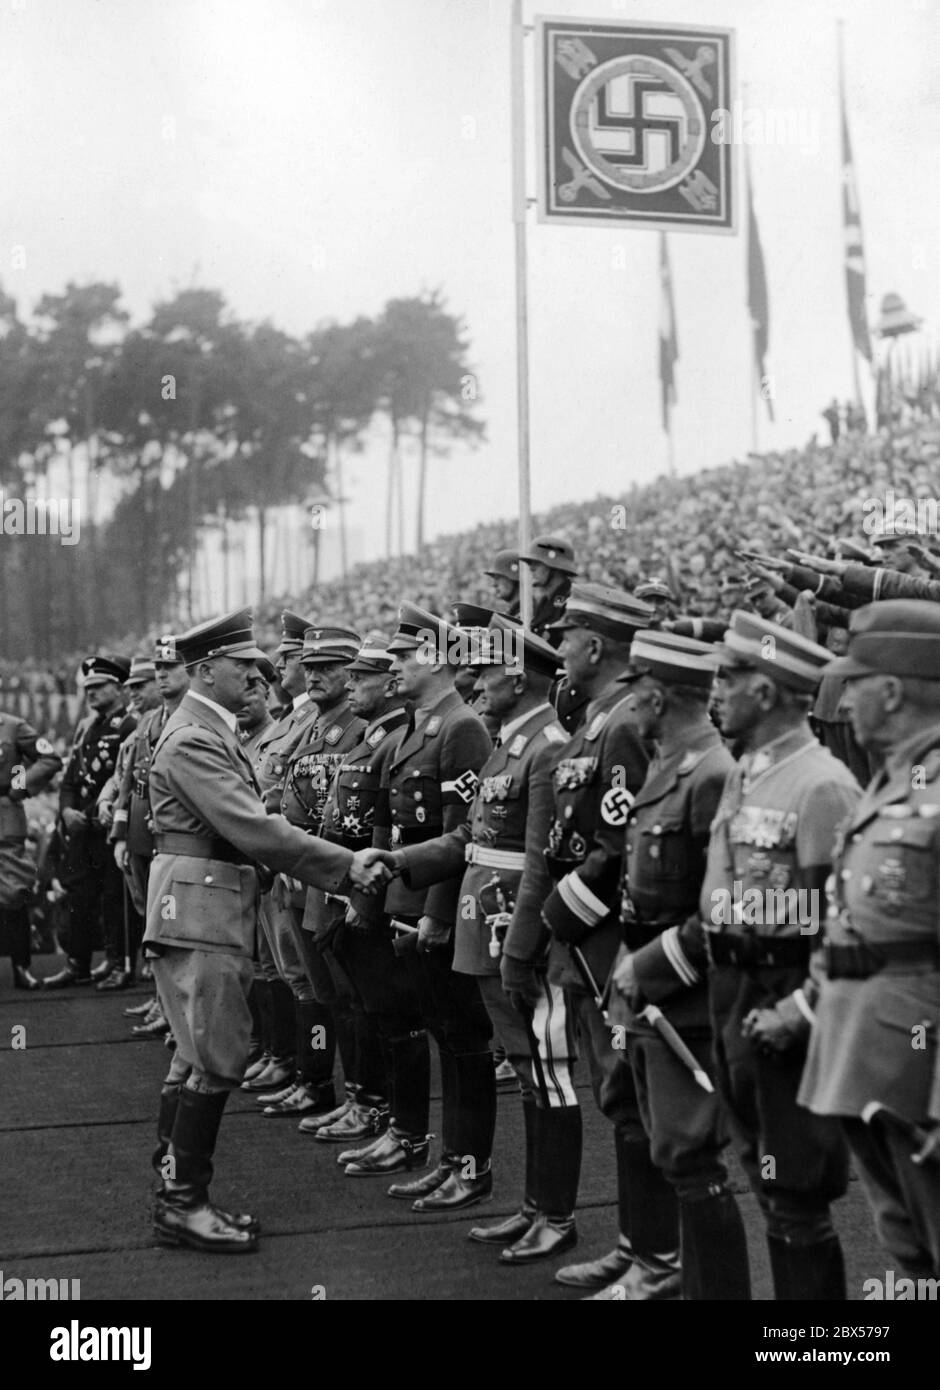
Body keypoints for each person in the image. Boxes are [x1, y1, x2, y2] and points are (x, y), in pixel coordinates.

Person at [143, 607, 385, 1254]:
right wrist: (346, 866)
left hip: (202, 903)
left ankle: (175, 1192)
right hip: (204, 908)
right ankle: (183, 1204)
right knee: (217, 1056)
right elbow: (255, 829)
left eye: (257, 665)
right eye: (242, 666)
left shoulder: (202, 728)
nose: (259, 675)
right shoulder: (196, 738)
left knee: (194, 1055)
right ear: (204, 671)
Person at [370, 617, 581, 1230]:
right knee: (526, 1069)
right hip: (485, 921)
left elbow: (540, 858)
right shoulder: (511, 742)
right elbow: (470, 833)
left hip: (515, 927)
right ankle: (535, 1209)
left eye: (487, 670)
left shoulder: (545, 745)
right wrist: (403, 861)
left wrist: (520, 947)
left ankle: (555, 1216)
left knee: (547, 1073)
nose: (474, 679)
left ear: (517, 676)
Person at [700, 610, 861, 1299]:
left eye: (728, 679)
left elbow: (851, 927)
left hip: (788, 997)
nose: (715, 694)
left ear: (765, 692)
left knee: (797, 1197)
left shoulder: (823, 785)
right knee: (764, 1184)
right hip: (736, 991)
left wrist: (801, 1010)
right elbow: (719, 882)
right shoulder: (746, 775)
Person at [535, 583, 681, 1301]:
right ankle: (638, 1247)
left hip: (608, 933)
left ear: (596, 647)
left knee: (633, 1096)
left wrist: (560, 914)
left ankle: (658, 1261)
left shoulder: (623, 722)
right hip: (588, 933)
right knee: (619, 1099)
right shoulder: (601, 720)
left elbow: (623, 840)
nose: (557, 648)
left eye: (566, 637)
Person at [799, 600, 940, 1282]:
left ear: (892, 690)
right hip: (869, 1056)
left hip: (920, 1075)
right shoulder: (890, 779)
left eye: (855, 682)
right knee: (909, 1255)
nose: (842, 696)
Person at [607, 629, 750, 1300]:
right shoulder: (673, 763)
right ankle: (654, 1266)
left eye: (633, 688)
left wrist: (651, 968)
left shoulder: (713, 774)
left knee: (694, 1160)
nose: (627, 700)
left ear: (657, 696)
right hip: (647, 991)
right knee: (641, 1124)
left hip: (685, 1000)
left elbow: (725, 909)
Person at [341, 602, 493, 1183]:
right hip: (406, 908)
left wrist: (435, 914)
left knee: (461, 1041)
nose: (394, 665)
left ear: (435, 659)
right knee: (439, 1035)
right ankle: (442, 1155)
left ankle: (468, 1164)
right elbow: (391, 819)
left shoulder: (461, 727)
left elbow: (464, 831)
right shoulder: (415, 724)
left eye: (404, 657)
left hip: (438, 911)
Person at [306, 632, 410, 1144]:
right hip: (344, 885)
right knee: (350, 1003)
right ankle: (363, 1099)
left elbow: (384, 827)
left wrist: (361, 899)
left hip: (368, 892)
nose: (351, 683)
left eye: (362, 676)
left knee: (372, 1008)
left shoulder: (392, 739)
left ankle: (377, 1108)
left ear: (391, 684)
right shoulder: (373, 737)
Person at [272, 626, 365, 1119]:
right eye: (309, 666)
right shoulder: (309, 722)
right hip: (300, 874)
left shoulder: (357, 726)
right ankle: (333, 1089)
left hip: (329, 871)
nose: (315, 675)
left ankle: (362, 1098)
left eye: (328, 666)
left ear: (353, 672)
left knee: (347, 996)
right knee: (322, 993)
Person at [241, 611, 320, 1097]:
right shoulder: (291, 720)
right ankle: (280, 1055)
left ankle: (307, 1073)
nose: (281, 670)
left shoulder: (311, 721)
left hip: (288, 863)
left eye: (286, 659)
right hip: (268, 863)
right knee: (276, 968)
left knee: (303, 977)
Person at [44, 655, 136, 989]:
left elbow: (124, 777)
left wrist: (103, 812)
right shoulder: (86, 727)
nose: (92, 694)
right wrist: (67, 811)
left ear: (118, 688)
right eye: (88, 688)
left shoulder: (129, 725)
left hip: (107, 826)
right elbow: (70, 779)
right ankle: (77, 963)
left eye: (99, 687)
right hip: (81, 826)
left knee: (114, 898)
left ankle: (116, 961)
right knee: (77, 897)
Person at [0, 708, 62, 990]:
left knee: (14, 891)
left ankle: (21, 968)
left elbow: (49, 759)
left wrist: (19, 785)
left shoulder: (13, 726)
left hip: (4, 814)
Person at [519, 535, 578, 643]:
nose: (531, 568)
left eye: (537, 563)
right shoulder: (545, 601)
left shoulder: (571, 601)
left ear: (555, 567)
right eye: (531, 564)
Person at [483, 550, 521, 619]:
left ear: (513, 577)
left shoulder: (527, 615)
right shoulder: (512, 613)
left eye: (498, 577)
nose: (494, 584)